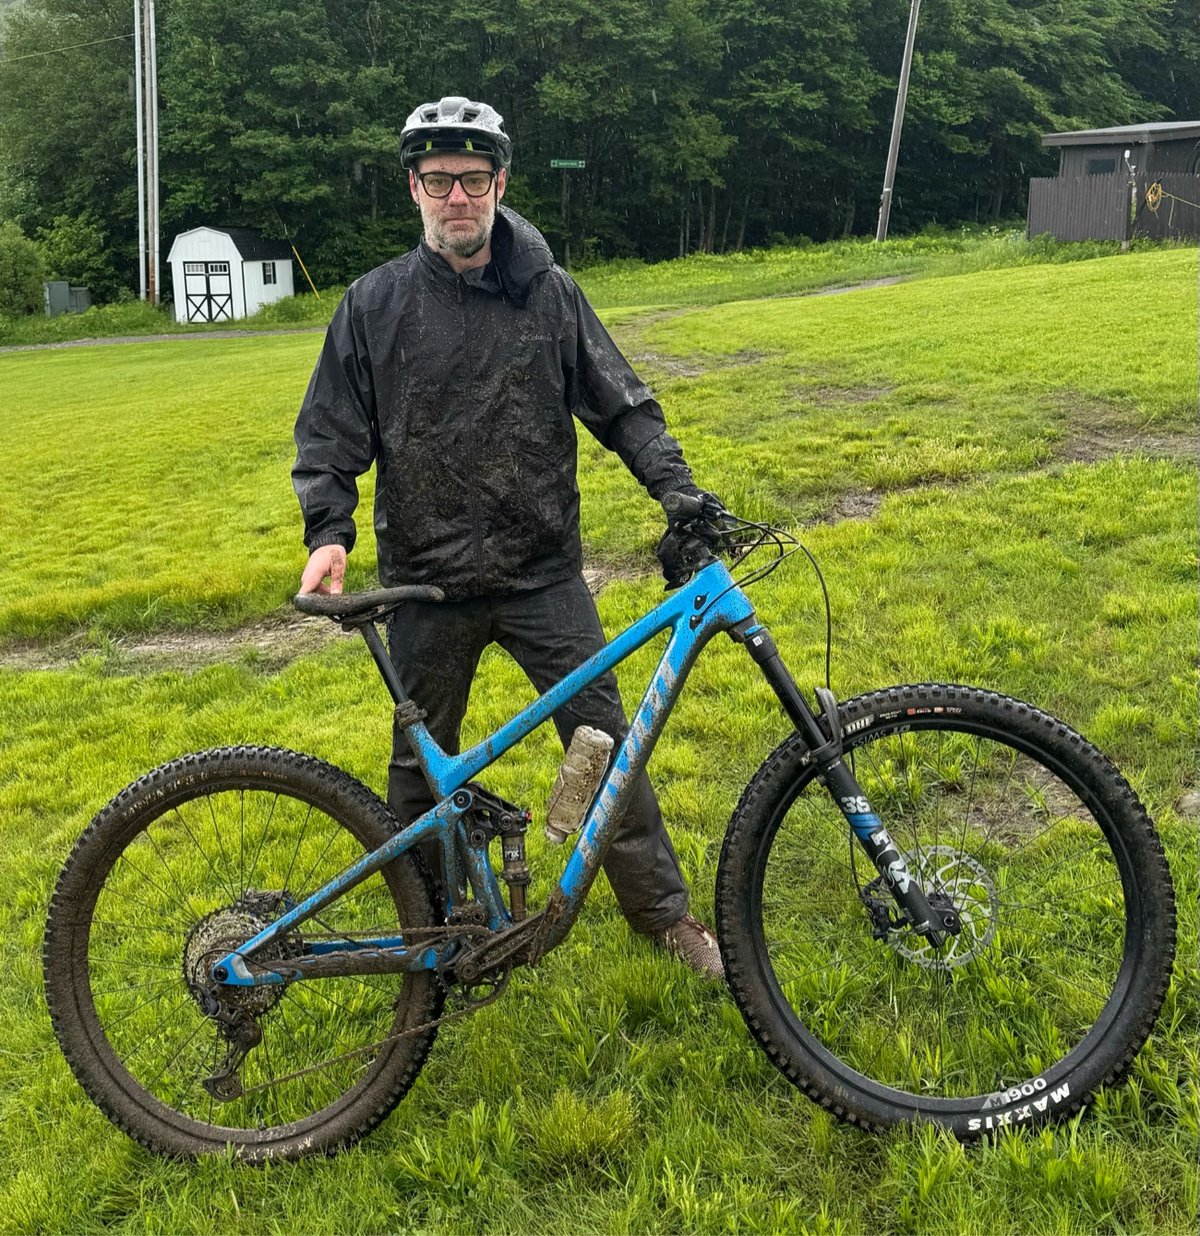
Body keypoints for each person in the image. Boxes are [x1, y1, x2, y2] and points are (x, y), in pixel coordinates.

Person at [292, 96, 723, 979]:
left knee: (609, 745)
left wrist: (678, 491)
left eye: (475, 179)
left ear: (499, 185)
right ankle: (426, 932)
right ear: (415, 188)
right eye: (440, 180)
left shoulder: (549, 294)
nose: (459, 196)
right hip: (426, 584)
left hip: (541, 576)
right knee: (419, 774)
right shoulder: (372, 306)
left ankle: (664, 918)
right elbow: (331, 433)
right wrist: (329, 530)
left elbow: (623, 405)